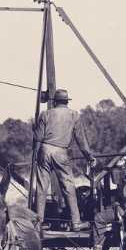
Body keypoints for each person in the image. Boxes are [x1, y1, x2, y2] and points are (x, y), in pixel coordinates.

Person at [33, 88, 95, 230]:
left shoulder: (45, 114)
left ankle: (38, 222)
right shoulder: (74, 115)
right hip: (61, 152)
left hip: (44, 150)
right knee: (68, 187)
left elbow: (38, 138)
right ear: (67, 102)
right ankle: (76, 222)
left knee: (42, 187)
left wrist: (36, 155)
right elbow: (80, 139)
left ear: (55, 102)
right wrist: (88, 156)